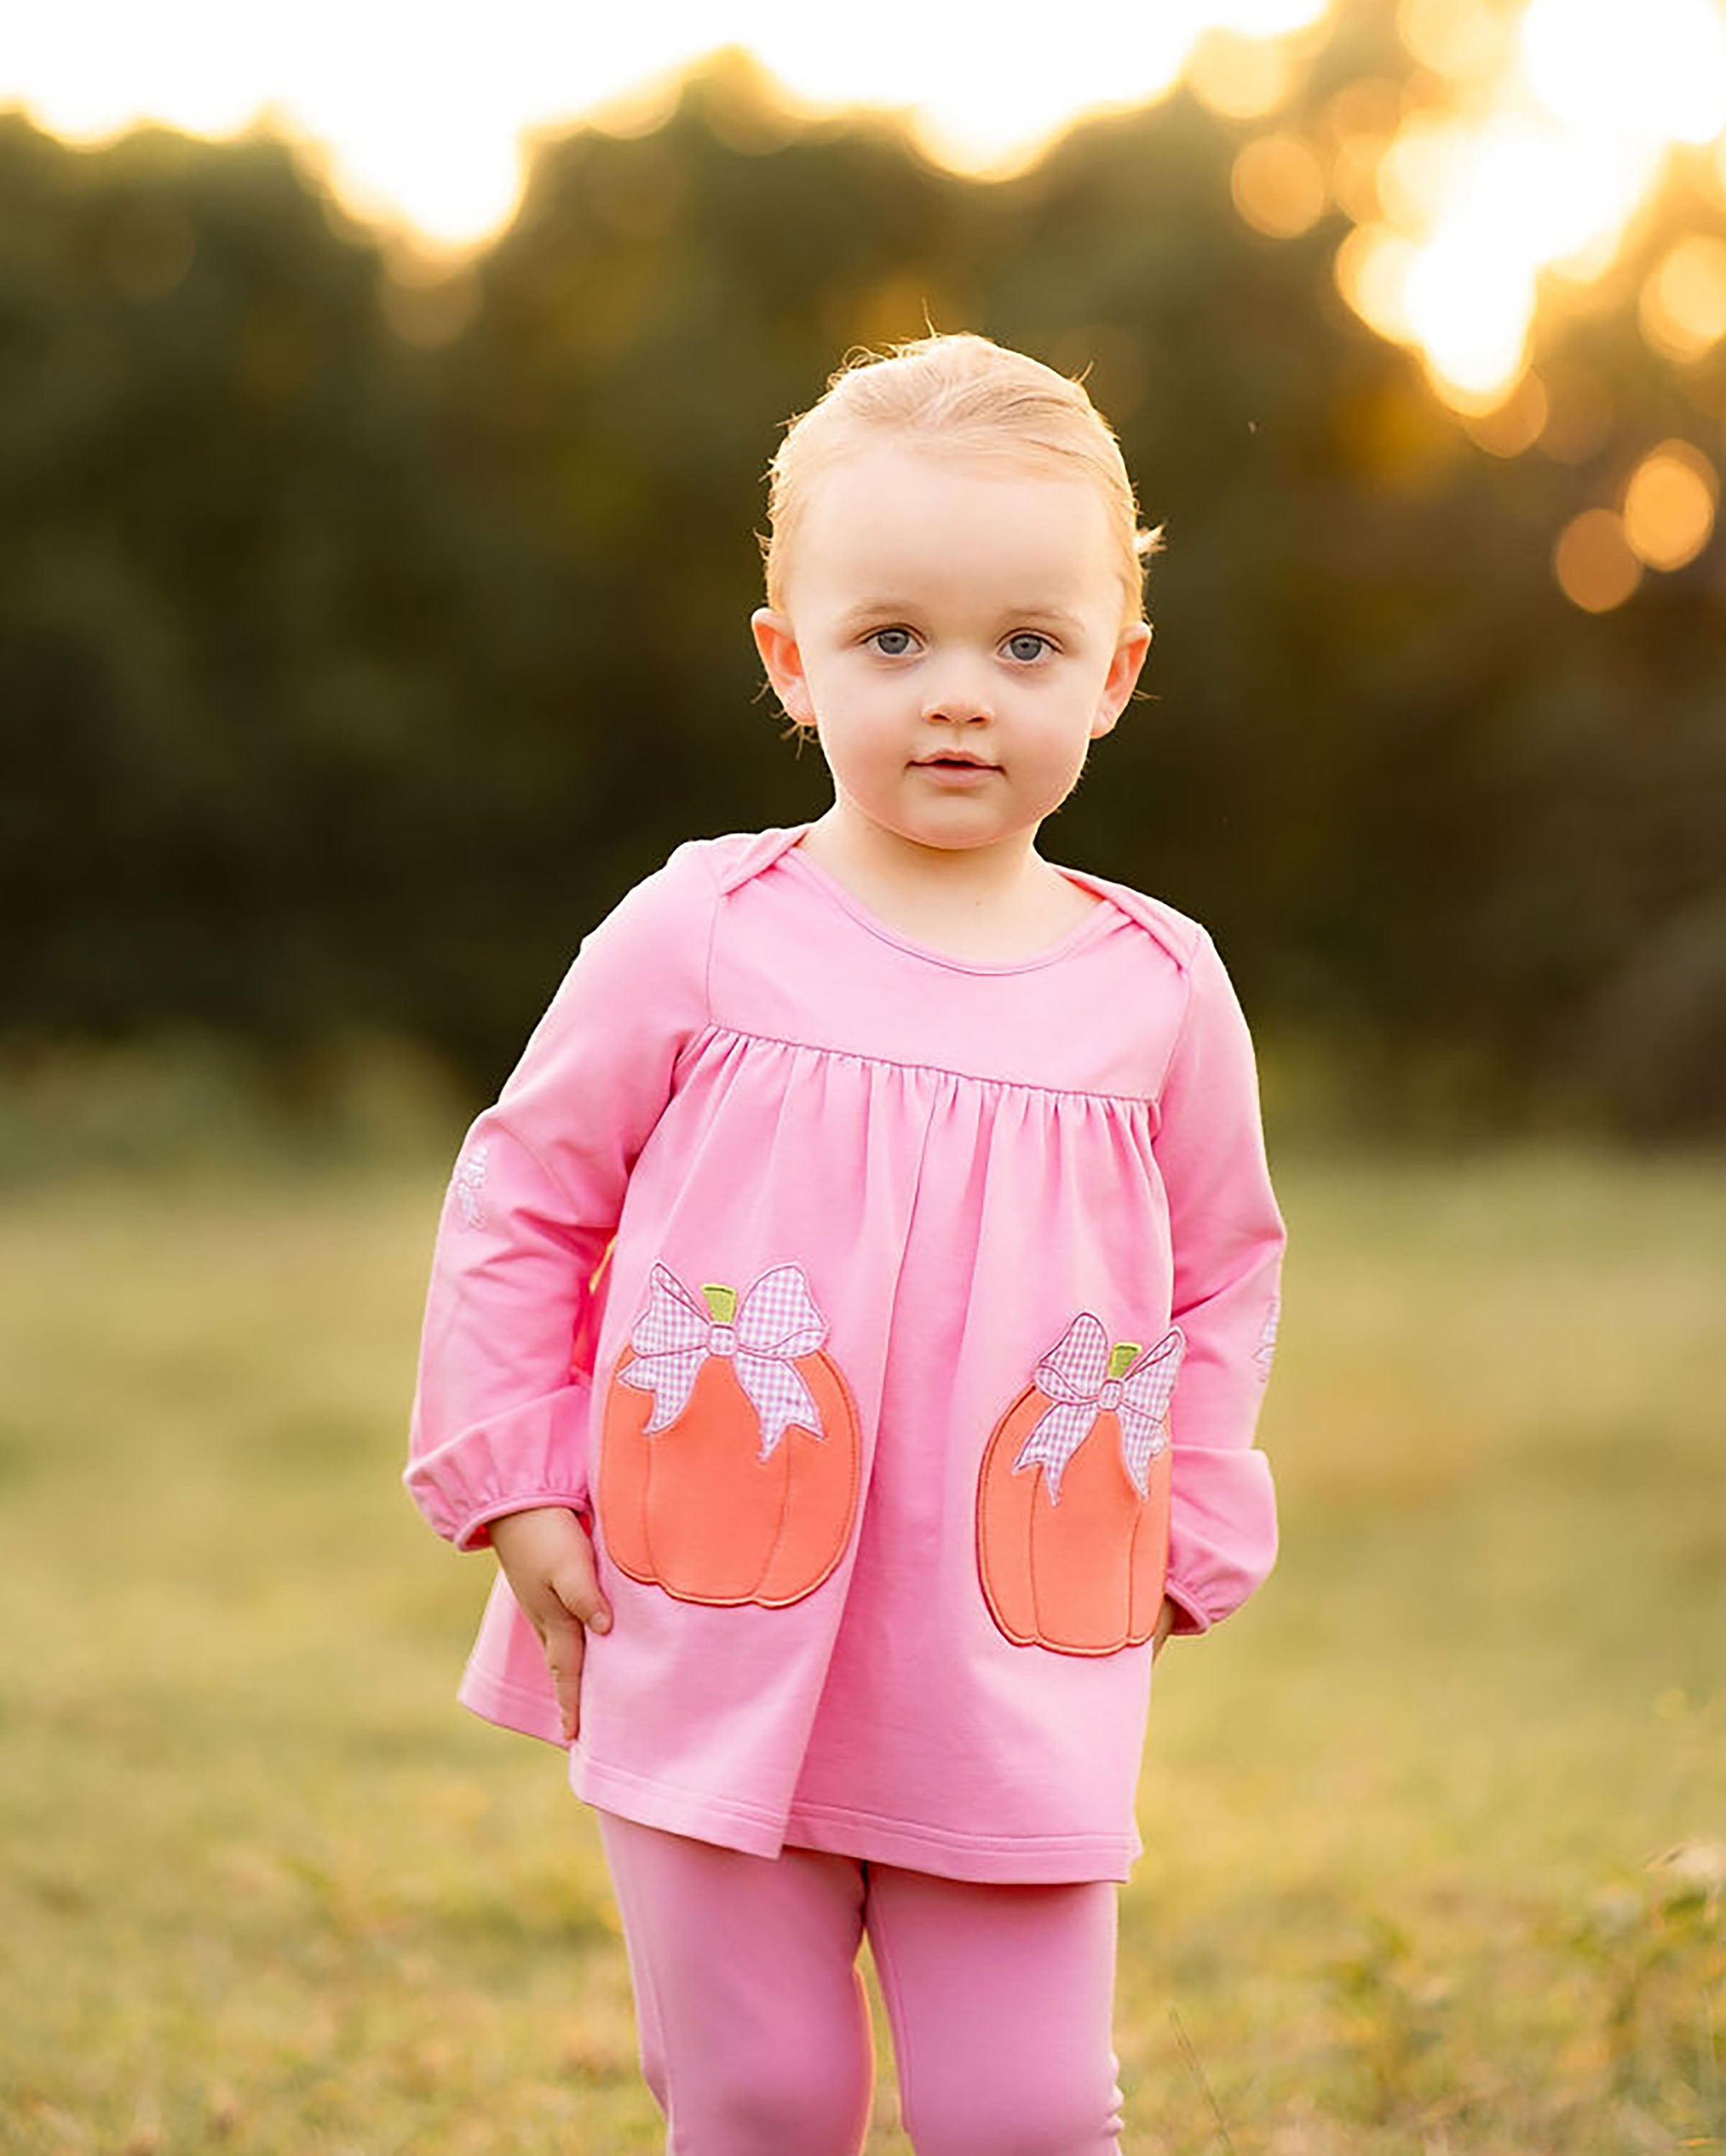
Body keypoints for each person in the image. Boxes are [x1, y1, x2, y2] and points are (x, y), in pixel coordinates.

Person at [406, 332, 1284, 2156]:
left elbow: (1223, 1271)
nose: (959, 696)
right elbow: (525, 1191)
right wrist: (514, 1473)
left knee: (1027, 2110)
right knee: (768, 2094)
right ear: (790, 662)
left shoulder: (1158, 986)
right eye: (893, 639)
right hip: (703, 1593)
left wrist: (1188, 1518)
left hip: (1015, 1631)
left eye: (1025, 645)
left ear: (1116, 673)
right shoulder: (702, 930)